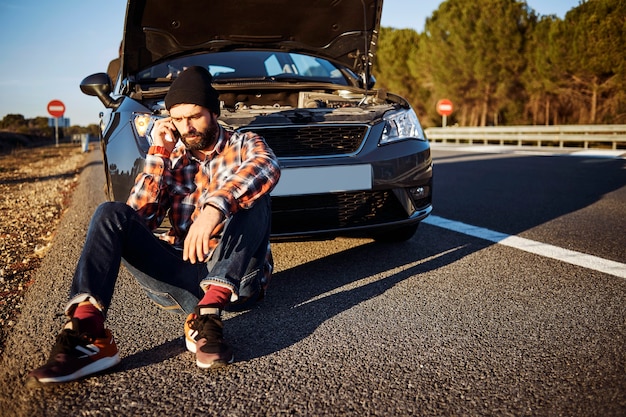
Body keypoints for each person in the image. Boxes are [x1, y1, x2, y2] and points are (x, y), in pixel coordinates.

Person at [28, 66, 281, 383]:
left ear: (213, 112)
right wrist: (159, 153)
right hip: (182, 274)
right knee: (111, 213)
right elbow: (137, 220)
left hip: (237, 280)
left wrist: (216, 207)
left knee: (255, 197)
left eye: (195, 116)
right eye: (177, 119)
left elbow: (267, 166)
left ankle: (208, 313)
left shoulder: (244, 143)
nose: (186, 127)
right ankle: (88, 334)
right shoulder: (171, 156)